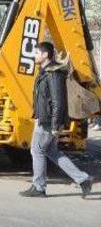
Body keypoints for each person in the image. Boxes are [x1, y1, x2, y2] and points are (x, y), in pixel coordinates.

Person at [20, 41, 93, 198]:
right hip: (44, 118)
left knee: (37, 150)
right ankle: (83, 179)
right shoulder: (47, 71)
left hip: (48, 121)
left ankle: (39, 187)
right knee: (51, 151)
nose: (35, 55)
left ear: (46, 55)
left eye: (37, 53)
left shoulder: (53, 73)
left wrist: (54, 124)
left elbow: (58, 101)